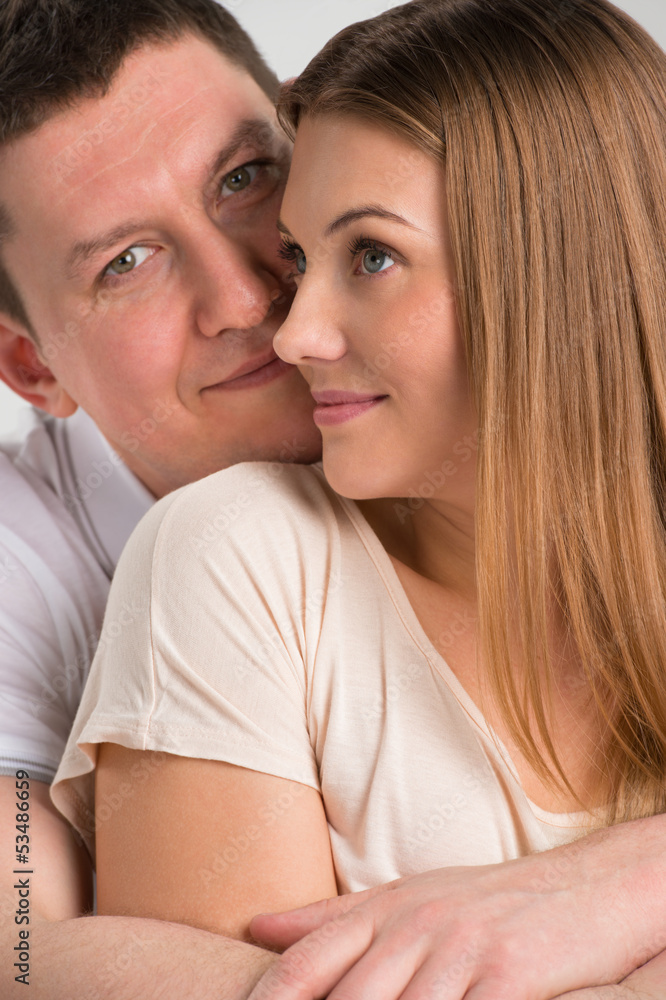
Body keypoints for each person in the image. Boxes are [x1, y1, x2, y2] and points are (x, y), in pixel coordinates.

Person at [51, 0, 666, 998]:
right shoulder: (240, 558)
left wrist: (614, 888)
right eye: (301, 257)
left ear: (559, 279)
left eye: (370, 256)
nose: (292, 333)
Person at [0, 1, 326, 996]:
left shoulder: (533, 349)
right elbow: (20, 941)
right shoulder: (20, 569)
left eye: (244, 179)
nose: (243, 299)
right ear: (30, 365)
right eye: (126, 263)